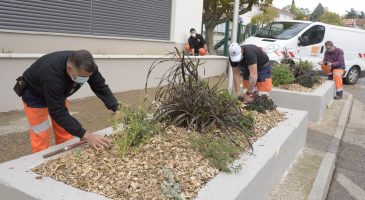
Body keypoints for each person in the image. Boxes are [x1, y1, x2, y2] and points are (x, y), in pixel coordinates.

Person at [17, 50, 118, 153]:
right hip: (35, 95)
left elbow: (100, 86)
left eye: (88, 77)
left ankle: (64, 153)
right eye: (82, 77)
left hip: (58, 92)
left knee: (64, 131)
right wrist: (86, 135)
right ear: (70, 68)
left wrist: (116, 108)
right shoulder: (52, 73)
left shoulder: (87, 66)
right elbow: (58, 112)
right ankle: (40, 157)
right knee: (41, 134)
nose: (86, 79)